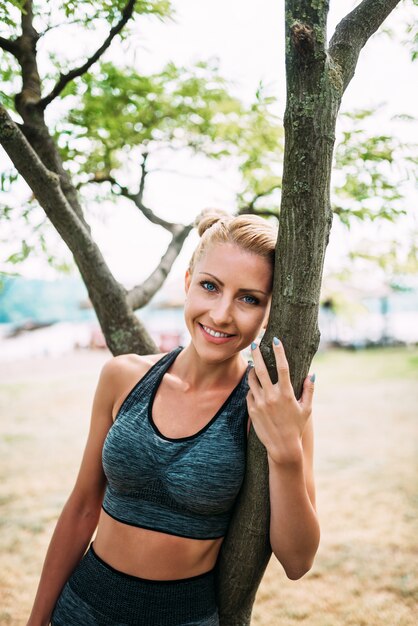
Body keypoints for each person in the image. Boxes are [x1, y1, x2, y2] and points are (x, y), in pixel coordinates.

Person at [27, 210, 320, 626]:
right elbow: (82, 508)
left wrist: (288, 452)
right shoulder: (122, 377)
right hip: (81, 607)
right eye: (210, 287)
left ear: (268, 312)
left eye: (248, 298)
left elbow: (297, 560)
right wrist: (37, 620)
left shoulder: (268, 409)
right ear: (187, 283)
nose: (221, 314)